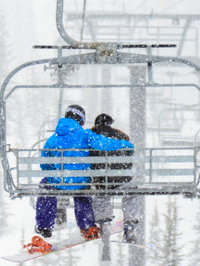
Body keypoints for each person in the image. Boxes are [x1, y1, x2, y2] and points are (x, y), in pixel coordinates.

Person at [31, 105, 134, 251]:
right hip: (80, 182)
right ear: (80, 121)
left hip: (59, 182)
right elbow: (104, 144)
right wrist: (125, 144)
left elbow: (44, 163)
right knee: (83, 195)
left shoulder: (53, 139)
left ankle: (44, 227)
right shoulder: (85, 135)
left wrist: (53, 174)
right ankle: (88, 227)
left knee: (45, 189)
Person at [90, 113, 142, 243]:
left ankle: (104, 223)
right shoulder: (122, 137)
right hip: (122, 178)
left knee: (101, 193)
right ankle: (130, 226)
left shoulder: (92, 138)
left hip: (102, 180)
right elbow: (131, 152)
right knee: (130, 193)